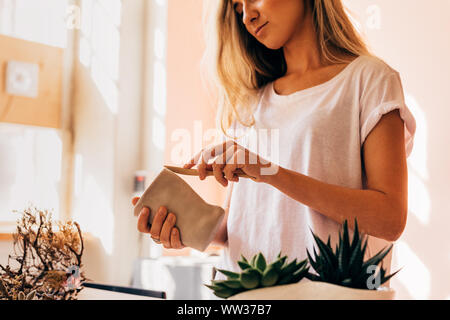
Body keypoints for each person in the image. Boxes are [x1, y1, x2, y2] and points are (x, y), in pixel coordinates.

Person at [134, 0, 416, 282]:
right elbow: (242, 224)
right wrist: (187, 227)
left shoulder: (369, 79)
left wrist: (270, 172)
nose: (247, 17)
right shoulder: (251, 101)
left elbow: (389, 219)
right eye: (237, 7)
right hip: (245, 296)